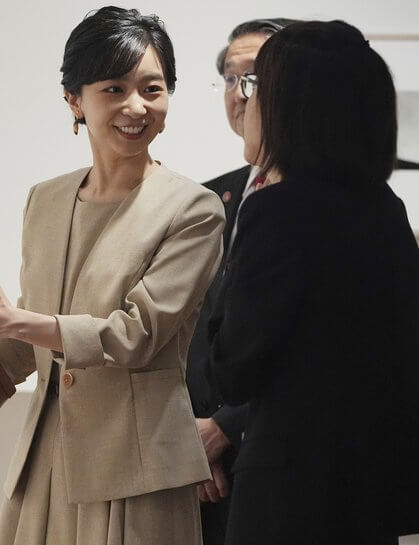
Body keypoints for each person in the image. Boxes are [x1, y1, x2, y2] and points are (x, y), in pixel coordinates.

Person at [0, 7, 225, 544]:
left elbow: (136, 336)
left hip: (137, 470)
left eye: (153, 88)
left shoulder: (193, 210)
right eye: (114, 88)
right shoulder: (46, 200)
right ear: (74, 100)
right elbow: (31, 345)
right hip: (45, 463)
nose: (136, 106)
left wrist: (11, 320)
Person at [208, 20, 419, 545]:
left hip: (289, 497)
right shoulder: (386, 210)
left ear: (291, 105)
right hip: (369, 492)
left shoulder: (278, 211)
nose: (243, 100)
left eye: (255, 85)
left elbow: (231, 369)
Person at [184, 17, 297, 545]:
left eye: (255, 77)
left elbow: (316, 339)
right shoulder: (206, 201)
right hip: (204, 477)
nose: (240, 93)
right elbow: (189, 327)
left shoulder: (332, 202)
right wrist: (195, 437)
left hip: (296, 465)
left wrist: (226, 425)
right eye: (231, 78)